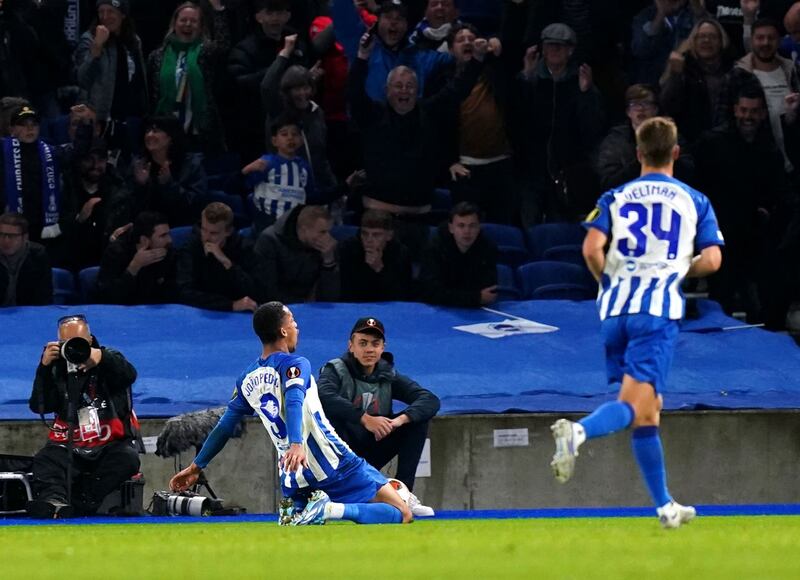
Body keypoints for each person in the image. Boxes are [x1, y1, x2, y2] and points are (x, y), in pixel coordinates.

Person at [549, 117, 724, 529]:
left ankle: (665, 506)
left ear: (639, 154)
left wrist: (610, 283)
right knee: (633, 405)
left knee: (649, 410)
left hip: (614, 312)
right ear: (676, 153)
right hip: (656, 313)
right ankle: (577, 433)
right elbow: (713, 260)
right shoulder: (693, 200)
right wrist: (678, 268)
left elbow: (592, 248)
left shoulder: (614, 195)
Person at [169, 301, 413, 526]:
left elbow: (224, 426)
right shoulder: (296, 364)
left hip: (292, 476)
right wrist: (297, 443)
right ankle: (328, 510)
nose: (297, 327)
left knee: (301, 517)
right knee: (402, 512)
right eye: (293, 322)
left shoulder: (246, 379)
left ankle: (297, 509)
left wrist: (196, 466)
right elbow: (294, 399)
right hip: (334, 462)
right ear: (284, 331)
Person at [318, 316, 439, 512]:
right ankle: (331, 493)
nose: (369, 349)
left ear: (383, 348)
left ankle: (403, 495)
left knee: (417, 421)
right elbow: (324, 396)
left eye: (375, 344)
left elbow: (430, 399)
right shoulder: (335, 370)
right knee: (330, 417)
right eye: (363, 343)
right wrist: (365, 419)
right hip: (341, 451)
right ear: (351, 346)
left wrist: (398, 421)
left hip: (373, 446)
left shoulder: (387, 374)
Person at [28, 313, 140, 518]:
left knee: (128, 459)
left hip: (109, 444)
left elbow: (129, 375)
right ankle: (54, 502)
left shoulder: (108, 358)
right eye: (65, 343)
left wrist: (102, 358)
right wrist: (43, 369)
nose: (72, 348)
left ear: (89, 340)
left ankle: (79, 505)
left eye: (78, 342)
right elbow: (38, 406)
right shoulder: (56, 368)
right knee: (46, 458)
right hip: (70, 444)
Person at [516, 22, 605, 224]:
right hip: (531, 169)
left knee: (563, 225)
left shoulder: (581, 81)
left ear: (570, 50)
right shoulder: (530, 78)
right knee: (529, 222)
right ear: (543, 49)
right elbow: (516, 118)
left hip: (568, 169)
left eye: (560, 46)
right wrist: (525, 79)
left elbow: (592, 128)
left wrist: (586, 94)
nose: (555, 50)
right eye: (550, 45)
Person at [148, 0, 229, 154]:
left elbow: (224, 45)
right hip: (167, 126)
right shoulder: (158, 55)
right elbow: (152, 93)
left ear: (200, 26)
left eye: (193, 21)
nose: (188, 24)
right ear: (174, 23)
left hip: (198, 127)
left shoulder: (206, 52)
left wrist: (218, 9)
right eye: (183, 20)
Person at [73, 0, 148, 154]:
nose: (105, 17)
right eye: (101, 12)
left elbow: (140, 80)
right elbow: (82, 78)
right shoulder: (89, 39)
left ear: (123, 14)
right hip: (100, 118)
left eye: (111, 11)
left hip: (130, 116)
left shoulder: (134, 40)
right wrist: (97, 47)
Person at [242, 114, 322, 235]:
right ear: (274, 141)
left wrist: (344, 186)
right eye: (284, 134)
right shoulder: (266, 163)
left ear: (301, 140)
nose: (290, 138)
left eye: (294, 134)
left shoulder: (304, 167)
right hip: (267, 227)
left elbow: (311, 197)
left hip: (296, 227)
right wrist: (245, 170)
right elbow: (235, 187)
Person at [176, 201, 263, 312]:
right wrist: (230, 305)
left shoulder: (244, 247)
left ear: (228, 232)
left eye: (213, 233)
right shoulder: (191, 248)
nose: (206, 238)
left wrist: (227, 263)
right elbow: (184, 292)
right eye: (203, 230)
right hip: (201, 312)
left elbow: (257, 291)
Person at [659, 18, 734, 143]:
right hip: (691, 141)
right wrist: (676, 75)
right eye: (701, 37)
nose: (706, 41)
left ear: (721, 41)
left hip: (726, 139)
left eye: (712, 37)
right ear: (692, 42)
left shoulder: (733, 71)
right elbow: (667, 105)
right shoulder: (684, 70)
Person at [127, 116, 207, 227]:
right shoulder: (139, 164)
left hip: (181, 226)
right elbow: (129, 206)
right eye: (147, 131)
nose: (149, 135)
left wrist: (169, 184)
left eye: (156, 131)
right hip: (148, 229)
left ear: (171, 137)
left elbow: (195, 204)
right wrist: (141, 185)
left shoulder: (191, 165)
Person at [254, 204, 340, 304]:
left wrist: (328, 261)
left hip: (310, 308)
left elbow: (330, 298)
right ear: (304, 230)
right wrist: (302, 305)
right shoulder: (269, 241)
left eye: (329, 232)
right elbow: (266, 291)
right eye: (322, 232)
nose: (328, 237)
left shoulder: (325, 247)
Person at [419, 201, 497, 307]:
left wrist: (469, 297)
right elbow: (430, 292)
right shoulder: (434, 249)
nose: (467, 231)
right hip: (439, 309)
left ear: (479, 228)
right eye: (461, 226)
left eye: (472, 226)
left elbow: (488, 292)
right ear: (451, 228)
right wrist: (473, 297)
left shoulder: (488, 248)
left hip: (475, 310)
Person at [95, 210, 177, 304]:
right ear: (144, 240)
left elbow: (172, 291)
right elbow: (107, 297)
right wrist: (134, 267)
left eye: (168, 234)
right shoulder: (116, 252)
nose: (169, 240)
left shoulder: (168, 250)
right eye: (163, 236)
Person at [339, 209, 413, 302]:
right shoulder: (348, 249)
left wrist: (379, 268)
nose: (369, 240)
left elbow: (401, 297)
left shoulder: (400, 253)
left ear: (389, 235)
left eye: (376, 235)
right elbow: (345, 294)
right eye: (364, 233)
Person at [0, 212, 52, 306]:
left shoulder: (37, 256)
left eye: (12, 236)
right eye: (2, 235)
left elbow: (44, 297)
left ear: (25, 238)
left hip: (27, 314)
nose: (6, 240)